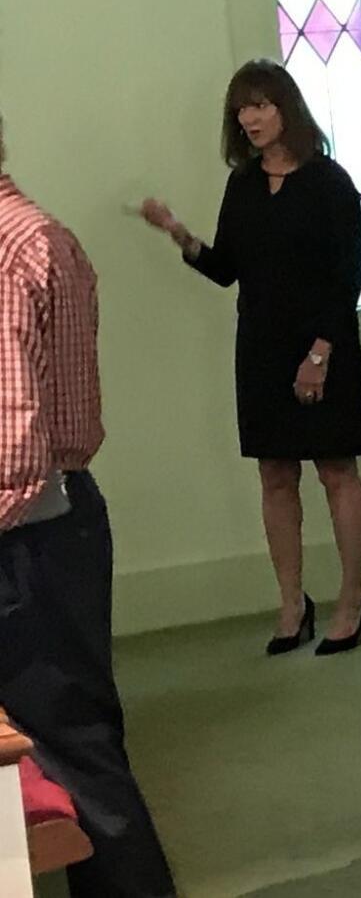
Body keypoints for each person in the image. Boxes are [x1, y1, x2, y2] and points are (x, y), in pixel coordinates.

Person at [0, 108, 179, 896]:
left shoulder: (8, 249)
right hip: (62, 518)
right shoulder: (43, 233)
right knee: (67, 746)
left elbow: (12, 448)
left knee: (65, 749)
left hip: (19, 535)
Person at [138, 59, 361, 655]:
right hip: (261, 347)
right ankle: (293, 603)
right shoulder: (242, 184)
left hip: (324, 344)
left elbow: (347, 278)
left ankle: (352, 603)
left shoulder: (330, 181)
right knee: (275, 474)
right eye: (242, 107)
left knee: (336, 470)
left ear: (286, 108)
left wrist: (319, 355)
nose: (250, 117)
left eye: (262, 104)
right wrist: (180, 236)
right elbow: (227, 271)